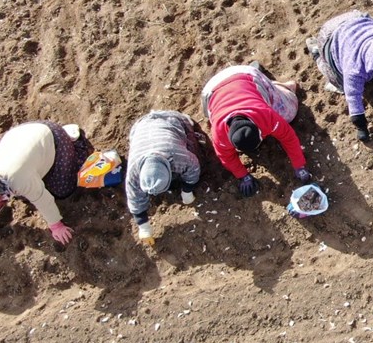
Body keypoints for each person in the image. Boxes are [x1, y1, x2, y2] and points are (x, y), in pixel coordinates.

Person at [0, 121, 95, 245]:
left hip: (50, 135)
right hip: (19, 133)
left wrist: (56, 226)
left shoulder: (18, 179)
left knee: (63, 189)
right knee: (26, 190)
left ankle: (72, 140)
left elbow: (43, 200)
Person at [202, 64, 311, 198]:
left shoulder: (264, 116)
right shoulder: (219, 135)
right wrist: (243, 176)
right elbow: (226, 157)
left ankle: (284, 87)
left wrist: (300, 165)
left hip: (246, 75)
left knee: (290, 111)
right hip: (211, 89)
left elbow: (288, 137)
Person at [308, 10, 373, 141]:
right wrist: (361, 126)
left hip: (355, 18)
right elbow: (353, 96)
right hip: (329, 35)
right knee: (338, 81)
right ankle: (317, 53)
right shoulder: (354, 69)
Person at [125, 111, 203, 246]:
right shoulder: (133, 171)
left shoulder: (177, 155)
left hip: (170, 120)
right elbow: (134, 197)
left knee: (194, 146)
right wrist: (143, 227)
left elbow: (194, 167)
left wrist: (187, 190)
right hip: (140, 127)